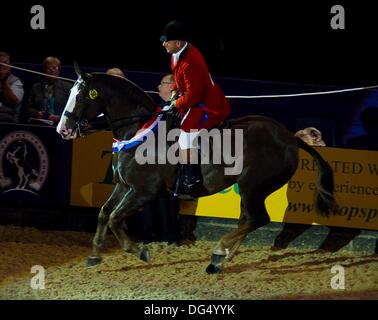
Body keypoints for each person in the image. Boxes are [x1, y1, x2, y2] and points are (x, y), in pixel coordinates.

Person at [160, 20, 231, 197]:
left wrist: (175, 104)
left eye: (167, 41)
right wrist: (175, 94)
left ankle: (191, 180)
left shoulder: (190, 62)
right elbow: (179, 82)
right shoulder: (176, 55)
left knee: (185, 135)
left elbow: (194, 96)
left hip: (207, 105)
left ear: (178, 42)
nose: (164, 44)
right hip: (192, 99)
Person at [137, 74, 181, 245]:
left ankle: (171, 235)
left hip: (171, 161)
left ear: (171, 86)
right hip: (153, 161)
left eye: (161, 84)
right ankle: (147, 234)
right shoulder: (158, 109)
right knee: (149, 198)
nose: (158, 88)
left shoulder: (179, 107)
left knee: (167, 200)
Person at [26, 56, 72, 125]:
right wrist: (36, 113)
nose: (52, 70)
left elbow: (73, 109)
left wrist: (60, 117)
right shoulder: (36, 87)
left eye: (54, 68)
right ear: (44, 70)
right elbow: (28, 108)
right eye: (48, 68)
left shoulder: (67, 87)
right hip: (39, 123)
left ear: (59, 70)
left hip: (60, 125)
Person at [0, 52, 24, 123]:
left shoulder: (16, 81)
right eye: (0, 62)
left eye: (5, 62)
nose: (1, 65)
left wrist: (4, 82)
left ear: (9, 66)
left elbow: (14, 102)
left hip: (7, 120)